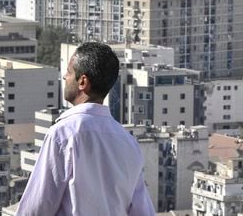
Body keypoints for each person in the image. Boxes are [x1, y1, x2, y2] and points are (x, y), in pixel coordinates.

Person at [18, 42, 156, 215]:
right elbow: (142, 211)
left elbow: (37, 207)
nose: (64, 77)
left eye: (69, 72)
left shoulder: (63, 135)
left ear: (82, 81)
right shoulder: (129, 142)